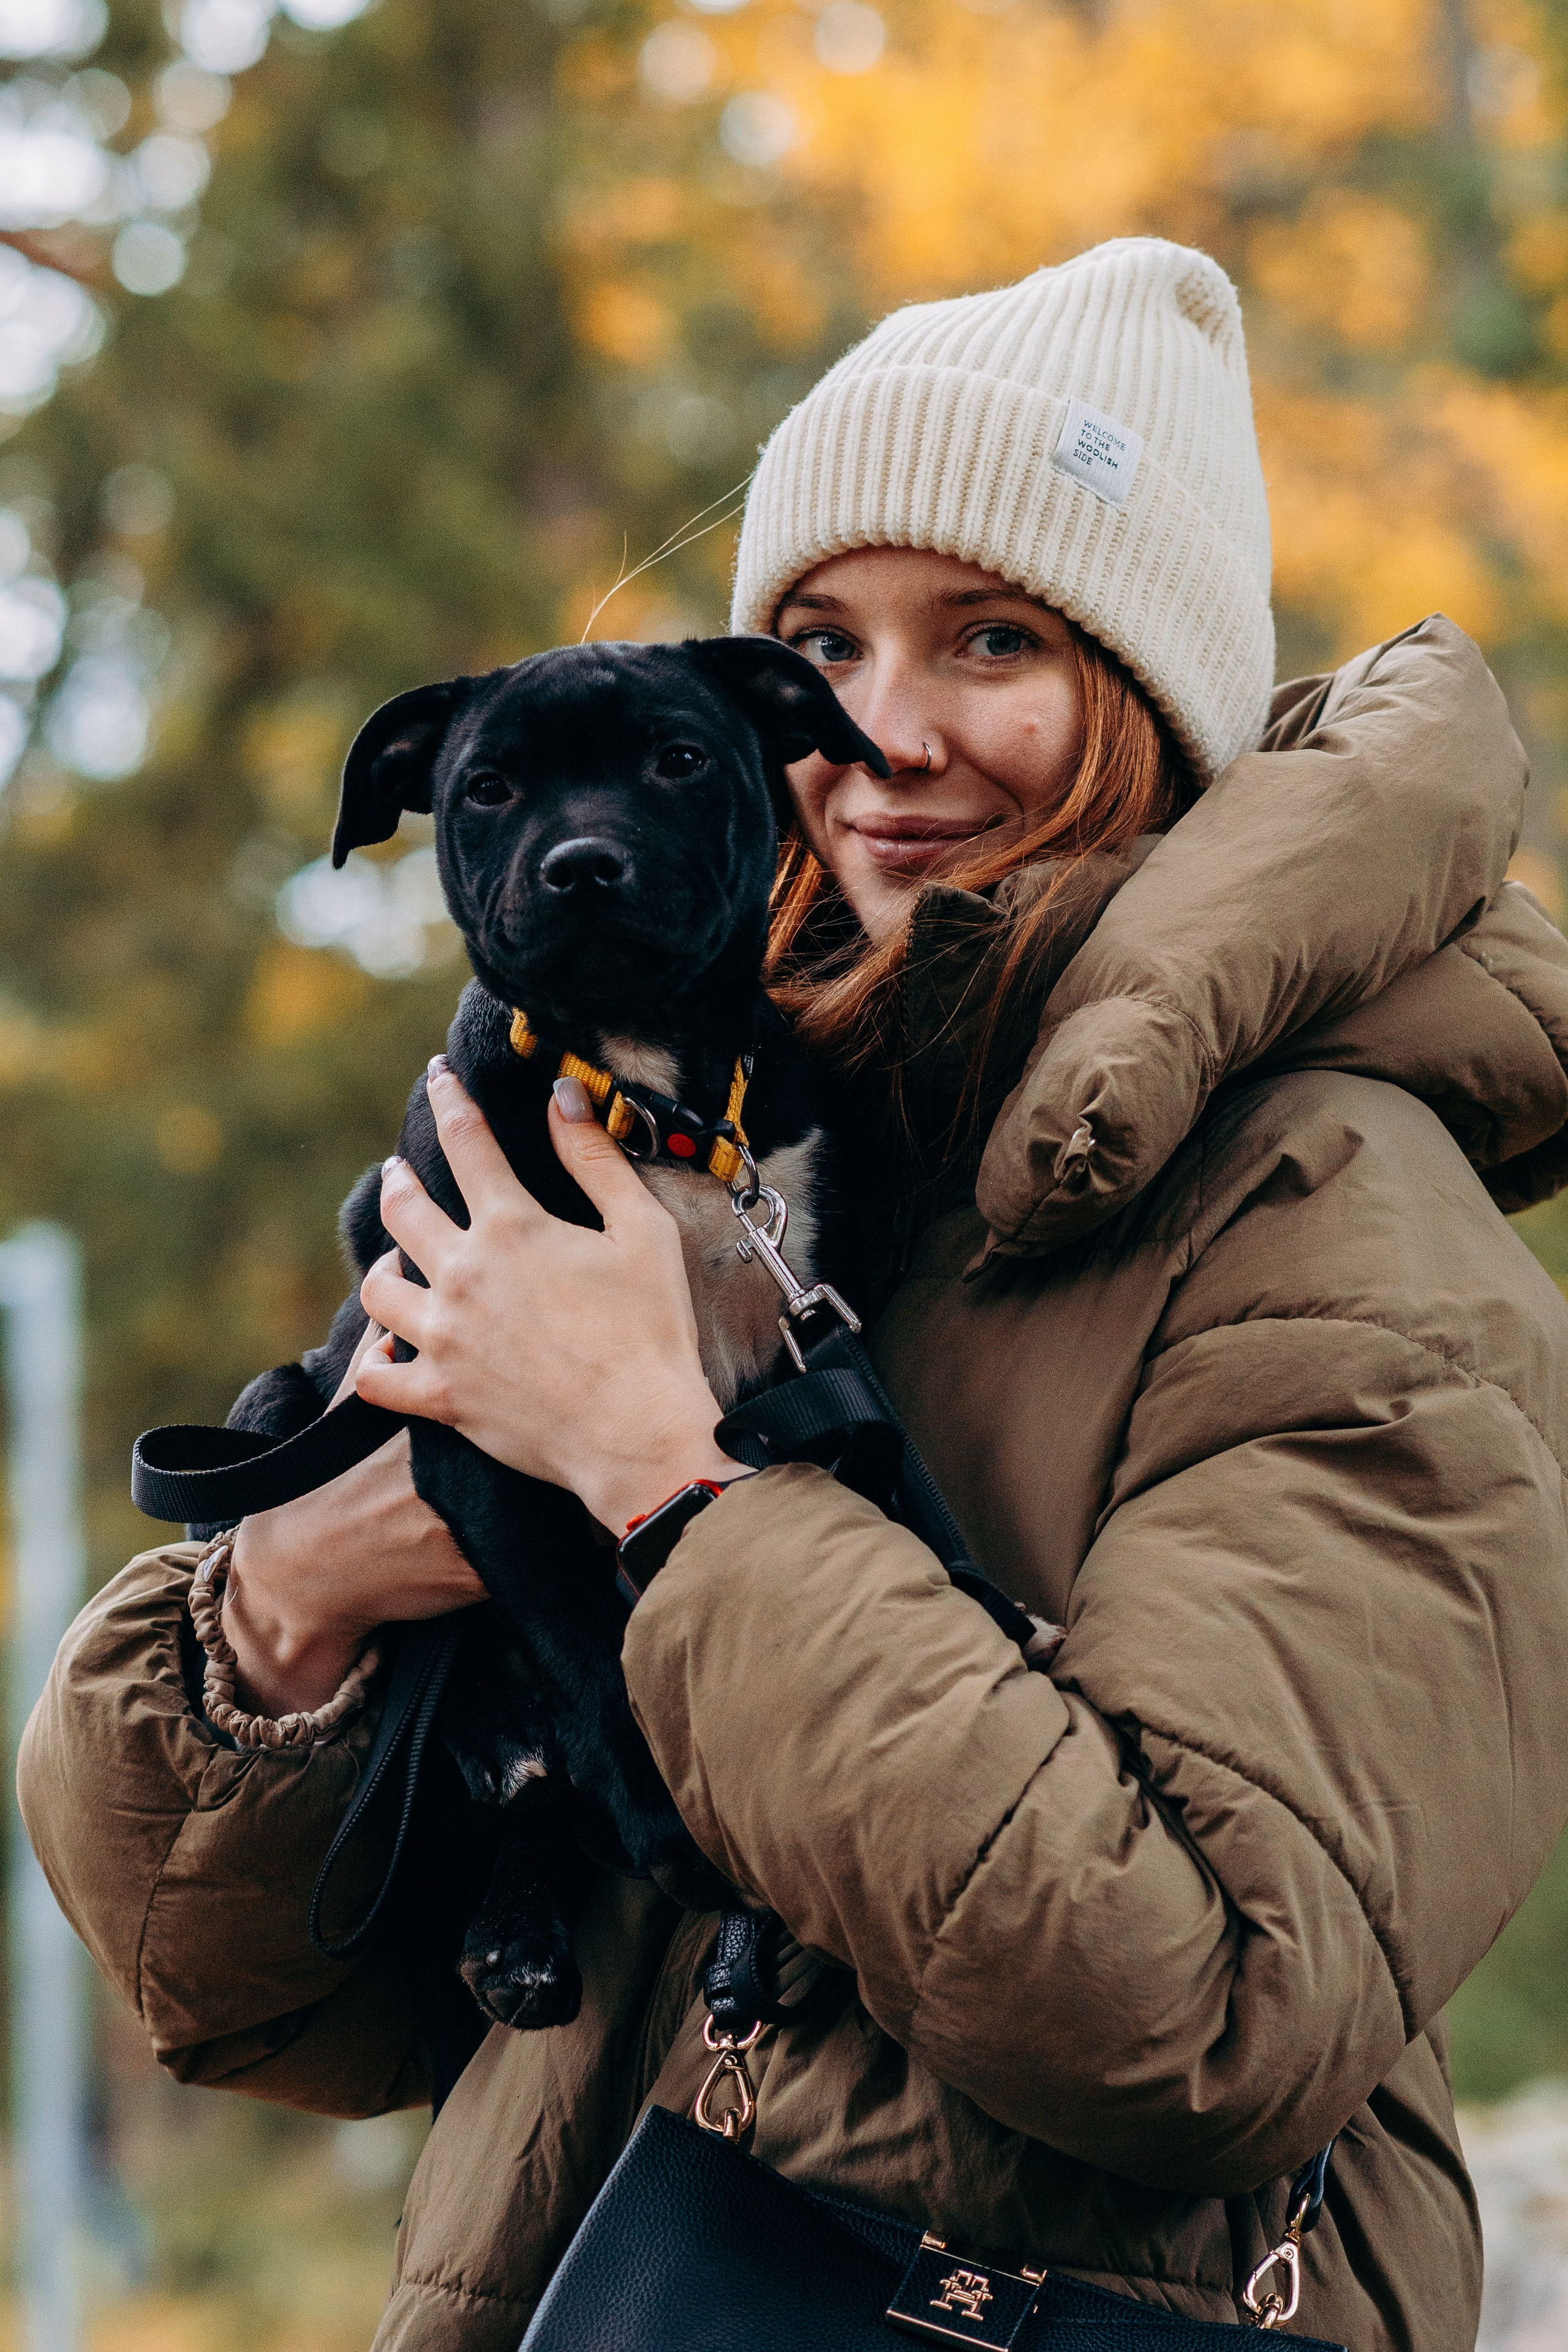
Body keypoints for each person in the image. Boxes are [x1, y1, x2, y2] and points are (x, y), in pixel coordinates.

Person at [21, 238, 1568, 2351]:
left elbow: (1207, 2012)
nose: (883, 734)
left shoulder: (1335, 1223)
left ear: (1155, 699)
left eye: (997, 637)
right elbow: (268, 2004)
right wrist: (300, 1592)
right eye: (820, 643)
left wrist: (665, 1480)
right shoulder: (750, 1147)